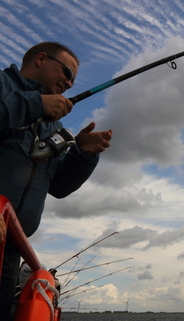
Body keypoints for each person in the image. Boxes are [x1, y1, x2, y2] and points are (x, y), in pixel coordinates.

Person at [0, 42, 112, 318]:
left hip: (12, 246)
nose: (70, 83)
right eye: (66, 72)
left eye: (73, 79)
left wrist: (83, 154)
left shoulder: (55, 127)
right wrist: (33, 104)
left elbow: (58, 187)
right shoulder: (3, 85)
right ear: (41, 59)